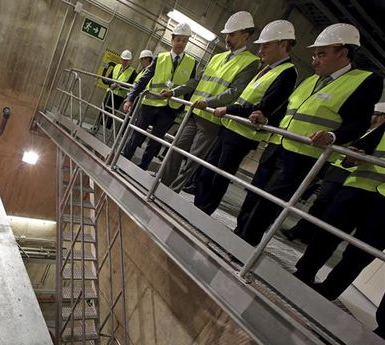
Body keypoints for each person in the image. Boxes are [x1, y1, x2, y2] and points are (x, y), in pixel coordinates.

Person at [234, 23, 383, 246]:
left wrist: (332, 137)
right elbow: (289, 110)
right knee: (253, 197)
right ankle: (235, 238)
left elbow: (358, 124)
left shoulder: (364, 81)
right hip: (277, 147)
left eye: (321, 54)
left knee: (267, 206)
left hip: (303, 157)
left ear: (343, 53)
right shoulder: (311, 79)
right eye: (314, 55)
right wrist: (266, 119)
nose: (314, 60)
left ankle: (243, 247)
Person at [193, 20, 298, 215]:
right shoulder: (268, 69)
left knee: (219, 177)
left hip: (242, 135)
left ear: (283, 45)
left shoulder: (287, 73)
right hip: (230, 127)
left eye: (266, 45)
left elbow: (265, 106)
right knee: (207, 172)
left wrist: (229, 108)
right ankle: (196, 209)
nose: (261, 50)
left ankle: (201, 214)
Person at [159, 11, 261, 192]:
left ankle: (171, 193)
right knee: (175, 150)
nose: (227, 38)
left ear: (245, 35)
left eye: (232, 34)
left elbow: (235, 92)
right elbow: (197, 81)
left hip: (212, 119)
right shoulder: (217, 57)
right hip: (194, 112)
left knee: (193, 160)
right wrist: (174, 91)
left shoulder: (251, 62)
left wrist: (208, 102)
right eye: (227, 34)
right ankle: (161, 187)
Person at [293, 102, 384, 301]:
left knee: (360, 253)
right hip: (358, 186)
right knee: (327, 234)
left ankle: (330, 290)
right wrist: (355, 155)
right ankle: (304, 271)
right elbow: (361, 146)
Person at [282, 102, 385, 241]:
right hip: (337, 169)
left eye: (374, 114)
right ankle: (302, 232)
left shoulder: (377, 135)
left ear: (382, 117)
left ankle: (305, 233)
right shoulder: (361, 128)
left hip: (355, 176)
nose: (370, 116)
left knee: (328, 207)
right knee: (321, 203)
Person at [121, 23, 197, 170]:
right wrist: (130, 98)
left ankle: (143, 166)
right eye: (178, 39)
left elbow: (190, 86)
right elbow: (144, 79)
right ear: (172, 40)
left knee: (155, 140)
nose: (181, 43)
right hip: (150, 103)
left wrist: (182, 106)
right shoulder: (160, 58)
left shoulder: (191, 62)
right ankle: (125, 158)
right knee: (137, 133)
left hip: (170, 108)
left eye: (185, 40)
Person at [99, 49, 136, 130]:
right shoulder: (116, 66)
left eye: (126, 60)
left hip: (119, 96)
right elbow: (108, 78)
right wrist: (110, 84)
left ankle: (106, 130)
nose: (124, 61)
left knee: (112, 113)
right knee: (103, 109)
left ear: (129, 60)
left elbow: (131, 85)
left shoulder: (132, 72)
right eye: (123, 59)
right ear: (121, 59)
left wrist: (119, 85)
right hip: (110, 92)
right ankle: (98, 126)